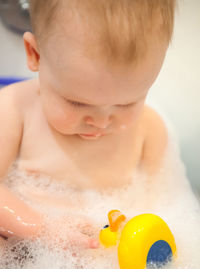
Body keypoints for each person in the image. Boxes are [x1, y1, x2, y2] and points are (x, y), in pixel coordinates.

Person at [0, 0, 176, 249]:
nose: (102, 121)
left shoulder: (150, 130)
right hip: (23, 244)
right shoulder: (14, 109)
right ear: (35, 54)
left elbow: (161, 204)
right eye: (78, 103)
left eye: (127, 104)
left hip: (105, 262)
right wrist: (41, 229)